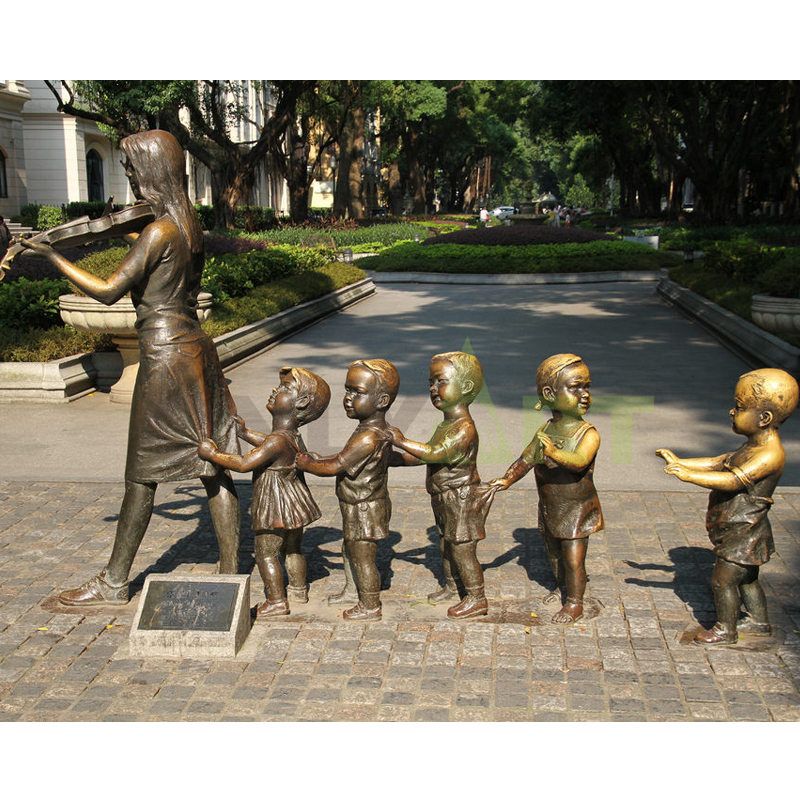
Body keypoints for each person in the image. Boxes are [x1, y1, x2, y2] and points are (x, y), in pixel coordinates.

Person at [21, 130, 242, 605]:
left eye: (131, 169)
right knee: (212, 463)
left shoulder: (159, 230)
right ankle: (230, 573)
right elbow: (158, 255)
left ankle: (114, 581)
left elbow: (106, 291)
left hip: (163, 356)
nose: (129, 178)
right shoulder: (185, 223)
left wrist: (54, 254)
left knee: (141, 474)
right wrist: (123, 230)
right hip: (196, 350)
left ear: (151, 170)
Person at [657, 368, 799, 644]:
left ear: (764, 418)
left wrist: (688, 476)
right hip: (737, 529)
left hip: (745, 531)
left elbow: (733, 481)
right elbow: (719, 461)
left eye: (739, 406)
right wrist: (681, 462)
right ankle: (758, 622)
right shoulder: (750, 447)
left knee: (723, 581)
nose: (731, 412)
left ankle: (726, 629)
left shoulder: (770, 455)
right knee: (747, 580)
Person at [198, 367, 330, 617]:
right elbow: (271, 443)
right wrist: (246, 433)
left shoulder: (276, 441)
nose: (275, 390)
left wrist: (213, 454)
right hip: (294, 500)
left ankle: (277, 600)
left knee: (266, 552)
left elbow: (244, 463)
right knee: (293, 547)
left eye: (284, 387)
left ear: (300, 402)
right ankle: (299, 589)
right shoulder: (291, 436)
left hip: (275, 501)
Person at [296, 359, 414, 621]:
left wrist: (308, 463)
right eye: (347, 390)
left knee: (363, 557)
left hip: (364, 506)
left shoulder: (368, 436)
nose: (348, 398)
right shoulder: (371, 430)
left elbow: (337, 465)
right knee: (350, 549)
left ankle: (370, 604)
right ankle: (353, 590)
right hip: (356, 503)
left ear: (382, 400)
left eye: (356, 392)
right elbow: (348, 458)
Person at [490, 354, 603, 624]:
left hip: (577, 508)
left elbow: (579, 462)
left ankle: (575, 602)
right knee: (554, 554)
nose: (584, 394)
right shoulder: (546, 429)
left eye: (586, 386)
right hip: (551, 506)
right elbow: (526, 459)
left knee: (574, 557)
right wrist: (507, 479)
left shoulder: (588, 433)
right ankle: (562, 587)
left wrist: (554, 452)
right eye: (575, 387)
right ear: (550, 394)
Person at [388, 352, 493, 619]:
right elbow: (427, 454)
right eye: (430, 382)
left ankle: (476, 597)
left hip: (461, 497)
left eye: (440, 381)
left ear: (466, 388)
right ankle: (451, 585)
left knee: (461, 548)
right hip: (443, 496)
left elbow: (436, 453)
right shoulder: (446, 424)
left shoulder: (464, 428)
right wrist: (395, 460)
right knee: (446, 544)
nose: (433, 388)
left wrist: (401, 441)